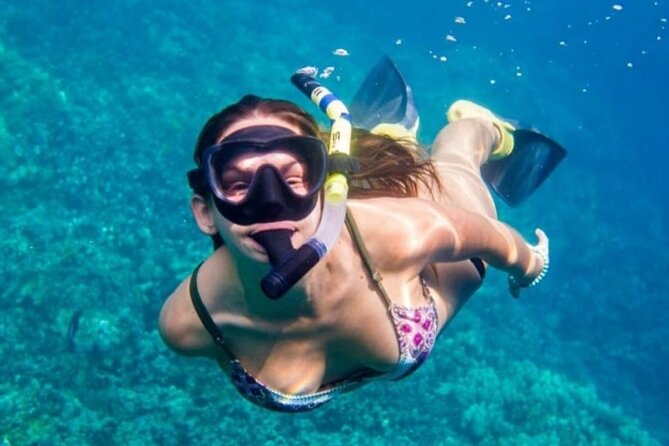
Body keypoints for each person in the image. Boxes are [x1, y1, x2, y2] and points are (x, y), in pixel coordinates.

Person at [158, 65, 557, 412]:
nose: (270, 204)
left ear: (327, 183)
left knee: (455, 158)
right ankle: (389, 139)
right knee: (400, 152)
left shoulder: (403, 233)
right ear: (205, 212)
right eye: (238, 184)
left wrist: (530, 265)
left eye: (293, 178)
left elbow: (498, 240)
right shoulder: (189, 325)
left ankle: (480, 126)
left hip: (440, 238)